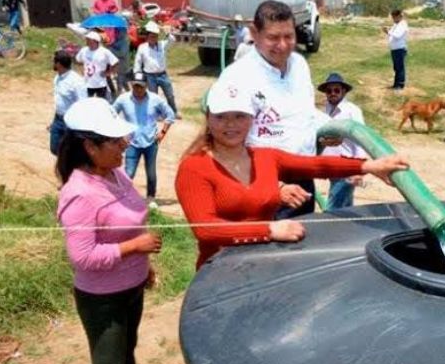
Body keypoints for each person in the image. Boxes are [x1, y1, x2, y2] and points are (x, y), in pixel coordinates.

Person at [175, 81, 408, 270]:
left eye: (239, 116)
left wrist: (369, 166)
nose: (231, 124)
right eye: (221, 116)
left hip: (264, 264)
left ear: (252, 118)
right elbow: (206, 229)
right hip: (219, 272)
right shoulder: (194, 168)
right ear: (208, 118)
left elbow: (316, 165)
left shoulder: (265, 157)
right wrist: (270, 230)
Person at [56, 98, 161, 364]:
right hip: (103, 298)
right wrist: (133, 249)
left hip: (131, 286)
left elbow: (128, 223)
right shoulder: (80, 194)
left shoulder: (116, 174)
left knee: (125, 350)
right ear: (90, 147)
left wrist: (144, 265)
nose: (124, 145)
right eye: (116, 141)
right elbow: (82, 257)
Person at [209, 0, 328, 219]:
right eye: (273, 37)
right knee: (266, 249)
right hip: (261, 183)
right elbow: (226, 144)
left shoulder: (300, 65)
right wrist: (277, 187)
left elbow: (304, 113)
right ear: (255, 33)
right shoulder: (237, 78)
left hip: (303, 178)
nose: (282, 45)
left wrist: (328, 130)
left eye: (289, 36)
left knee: (303, 243)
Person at [113, 74, 175, 208]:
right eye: (135, 86)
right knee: (129, 172)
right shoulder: (123, 99)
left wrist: (163, 132)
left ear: (146, 86)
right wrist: (120, 134)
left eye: (140, 86)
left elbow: (170, 115)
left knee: (151, 172)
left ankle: (151, 198)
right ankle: (123, 196)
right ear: (131, 85)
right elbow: (111, 114)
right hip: (131, 143)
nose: (137, 89)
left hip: (151, 142)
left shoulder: (156, 100)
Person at [318, 72, 367, 210]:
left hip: (346, 167)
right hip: (333, 168)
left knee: (332, 210)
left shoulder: (352, 111)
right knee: (345, 209)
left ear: (344, 91)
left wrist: (358, 169)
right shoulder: (326, 110)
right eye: (329, 91)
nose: (332, 93)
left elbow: (361, 139)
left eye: (336, 90)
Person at [133, 21, 179, 118]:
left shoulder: (162, 45)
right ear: (147, 37)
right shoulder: (142, 47)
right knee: (153, 97)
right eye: (151, 36)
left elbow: (172, 40)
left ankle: (174, 112)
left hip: (163, 74)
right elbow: (138, 62)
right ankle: (157, 114)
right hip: (149, 76)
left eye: (155, 36)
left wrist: (166, 31)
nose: (153, 38)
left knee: (170, 95)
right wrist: (137, 74)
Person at [51, 50, 88, 155]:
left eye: (54, 61)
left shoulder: (76, 82)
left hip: (71, 121)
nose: (52, 64)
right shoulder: (58, 77)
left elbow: (83, 104)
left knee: (69, 150)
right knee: (54, 148)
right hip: (58, 118)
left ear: (58, 64)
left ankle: (66, 168)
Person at [75, 31, 119, 99]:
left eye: (88, 39)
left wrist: (108, 73)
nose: (86, 40)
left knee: (101, 104)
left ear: (95, 40)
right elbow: (77, 60)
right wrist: (82, 69)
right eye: (86, 38)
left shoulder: (104, 51)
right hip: (87, 84)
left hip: (100, 84)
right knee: (87, 104)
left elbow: (115, 62)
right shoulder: (83, 50)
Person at [383, 9, 408, 90]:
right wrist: (387, 32)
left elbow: (397, 35)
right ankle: (396, 84)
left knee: (400, 68)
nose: (393, 19)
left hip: (400, 49)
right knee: (396, 67)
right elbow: (392, 34)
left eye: (394, 17)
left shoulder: (402, 25)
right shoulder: (396, 24)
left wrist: (388, 32)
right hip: (395, 49)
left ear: (399, 16)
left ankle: (400, 85)